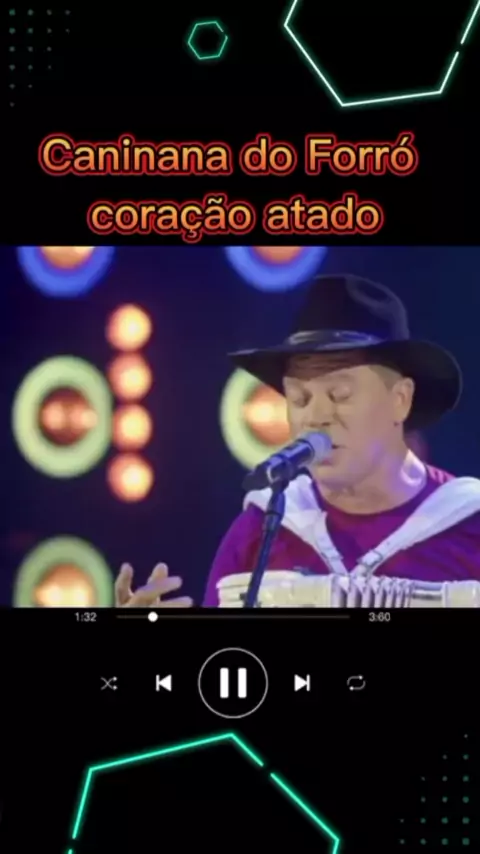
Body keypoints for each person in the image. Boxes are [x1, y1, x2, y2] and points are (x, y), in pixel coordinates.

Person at [115, 274, 480, 608]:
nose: (315, 416)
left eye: (339, 395)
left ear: (400, 400)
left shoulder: (470, 523)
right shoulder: (262, 528)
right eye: (300, 399)